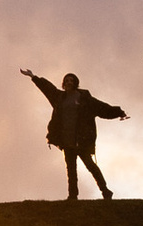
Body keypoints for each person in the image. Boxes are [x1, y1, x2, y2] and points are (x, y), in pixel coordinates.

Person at [23, 66, 126, 199]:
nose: (69, 82)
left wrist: (118, 112)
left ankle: (105, 190)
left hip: (81, 140)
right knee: (71, 170)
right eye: (66, 80)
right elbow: (47, 88)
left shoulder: (84, 98)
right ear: (63, 84)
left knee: (91, 166)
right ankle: (73, 196)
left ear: (76, 83)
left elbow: (102, 108)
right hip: (66, 141)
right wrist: (33, 77)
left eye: (71, 80)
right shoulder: (59, 98)